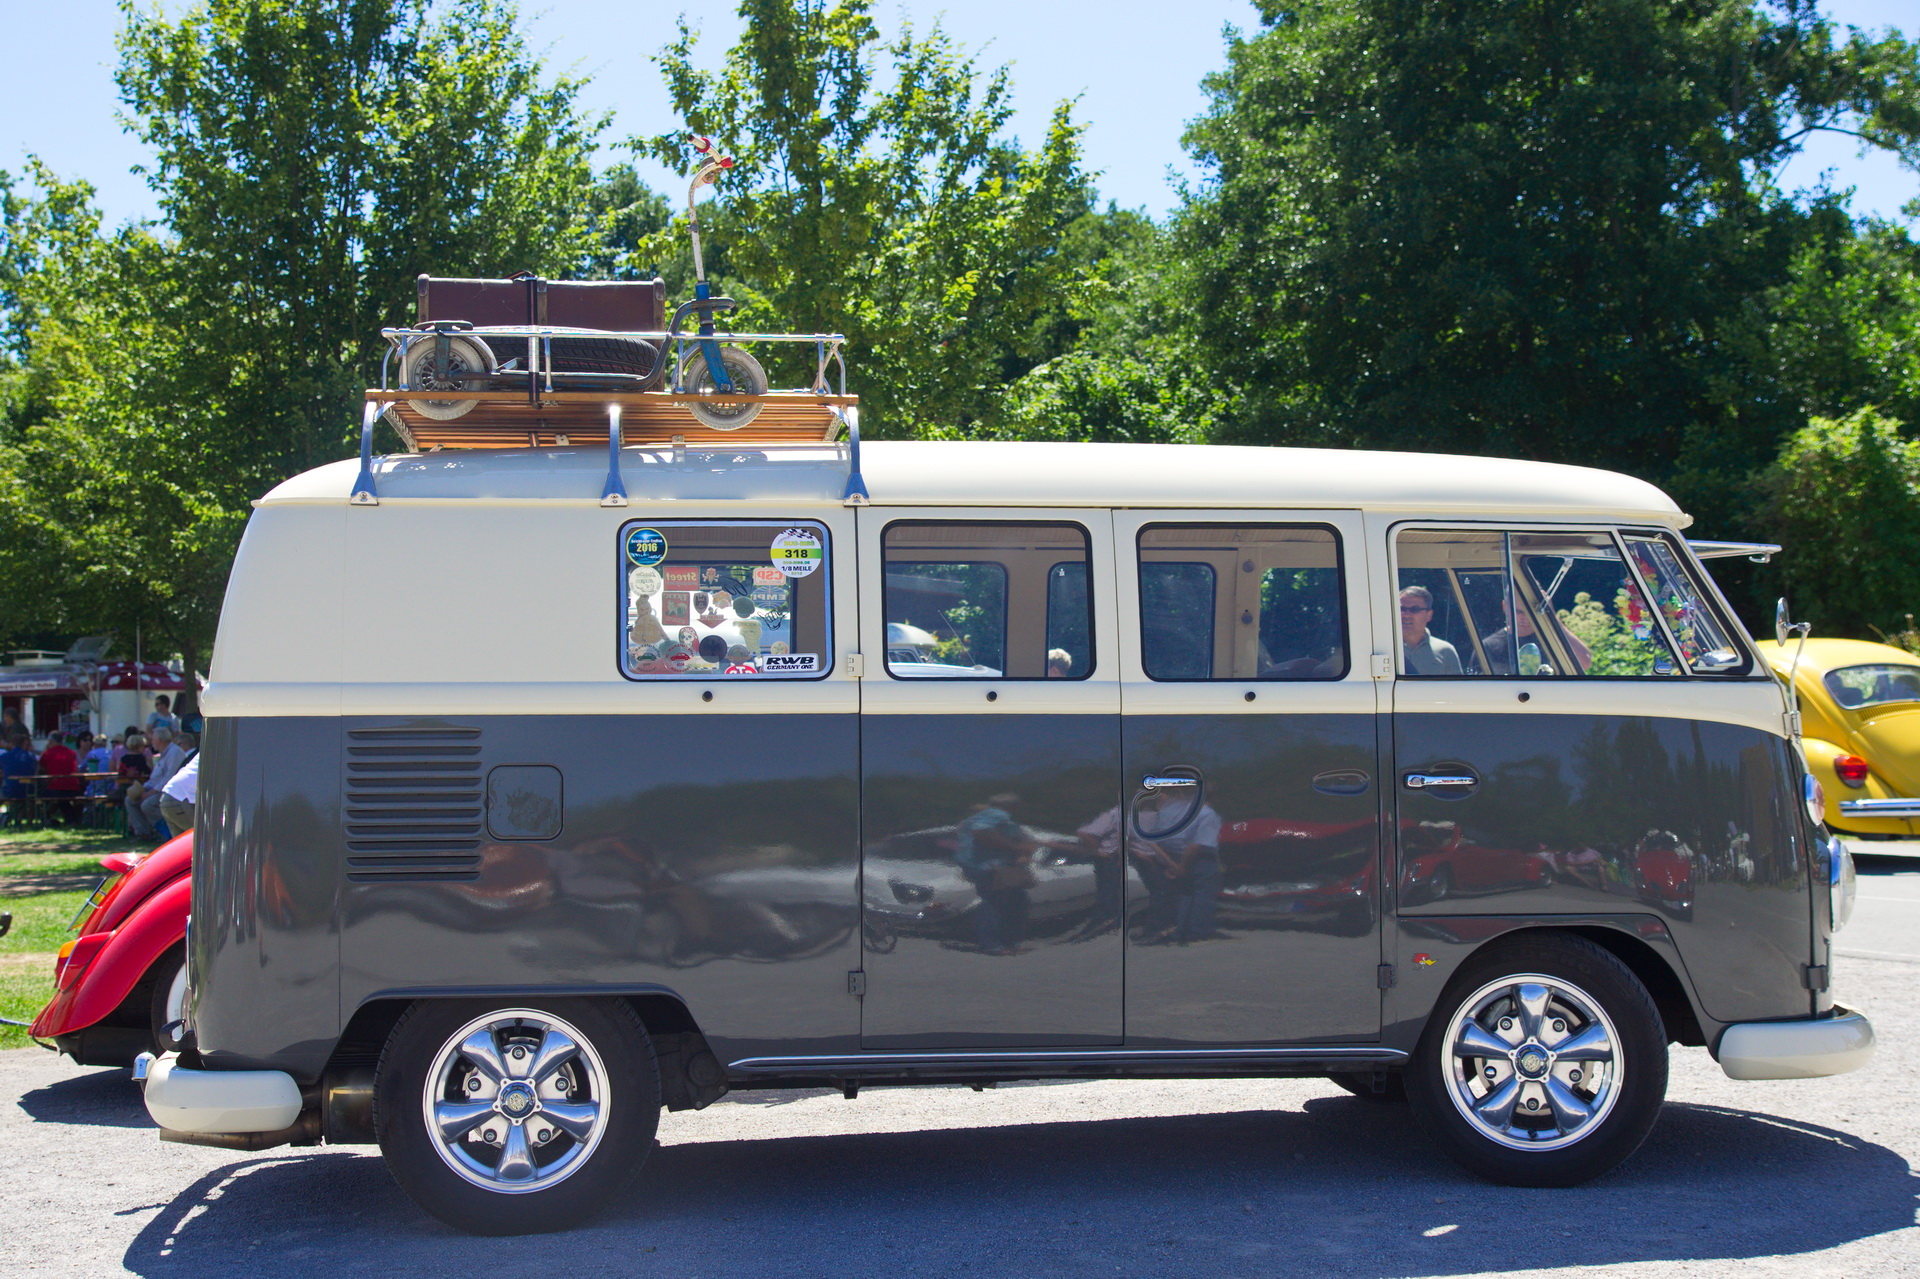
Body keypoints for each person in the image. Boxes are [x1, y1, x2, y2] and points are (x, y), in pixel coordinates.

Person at [951, 793, 1039, 956]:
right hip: (992, 867)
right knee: (998, 904)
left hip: (981, 866)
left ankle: (1005, 943)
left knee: (1012, 902)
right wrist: (1014, 847)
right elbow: (981, 831)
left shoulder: (972, 819)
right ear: (1011, 806)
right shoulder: (996, 814)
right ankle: (995, 944)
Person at [130, 728, 186, 841]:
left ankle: (167, 834)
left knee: (148, 805)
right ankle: (143, 833)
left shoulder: (174, 753)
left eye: (153, 739)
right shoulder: (162, 753)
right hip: (155, 788)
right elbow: (155, 777)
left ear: (160, 740)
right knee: (130, 800)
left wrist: (151, 792)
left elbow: (169, 777)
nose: (151, 742)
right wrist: (144, 788)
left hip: (168, 791)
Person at [1399, 585, 1463, 675]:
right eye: (1402, 609)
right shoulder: (1387, 648)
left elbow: (1457, 684)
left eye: (1415, 609)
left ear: (1429, 615)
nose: (1406, 615)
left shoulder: (1445, 651)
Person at [39, 731, 82, 824]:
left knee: (41, 793)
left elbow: (41, 769)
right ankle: (71, 819)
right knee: (63, 799)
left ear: (51, 741)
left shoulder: (47, 753)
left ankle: (45, 817)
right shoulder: (71, 752)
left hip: (55, 788)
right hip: (72, 788)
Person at [0, 731, 39, 824]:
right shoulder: (31, 756)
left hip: (9, 791)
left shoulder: (4, 756)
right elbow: (36, 770)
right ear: (24, 743)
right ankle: (26, 819)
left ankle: (8, 817)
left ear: (11, 743)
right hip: (30, 791)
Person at [159, 750, 198, 836]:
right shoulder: (221, 752)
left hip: (168, 796)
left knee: (186, 843)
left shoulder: (208, 751)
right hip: (181, 798)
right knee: (205, 840)